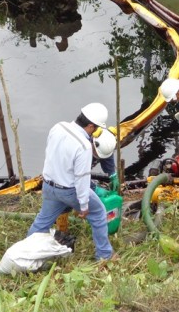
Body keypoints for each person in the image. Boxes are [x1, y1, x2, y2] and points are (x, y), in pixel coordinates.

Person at [27, 102, 115, 261]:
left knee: (42, 223)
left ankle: (26, 254)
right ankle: (104, 256)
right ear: (89, 126)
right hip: (69, 190)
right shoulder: (84, 146)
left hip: (48, 185)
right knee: (99, 213)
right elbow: (82, 178)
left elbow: (51, 152)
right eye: (94, 129)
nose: (93, 132)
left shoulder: (58, 127)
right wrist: (83, 205)